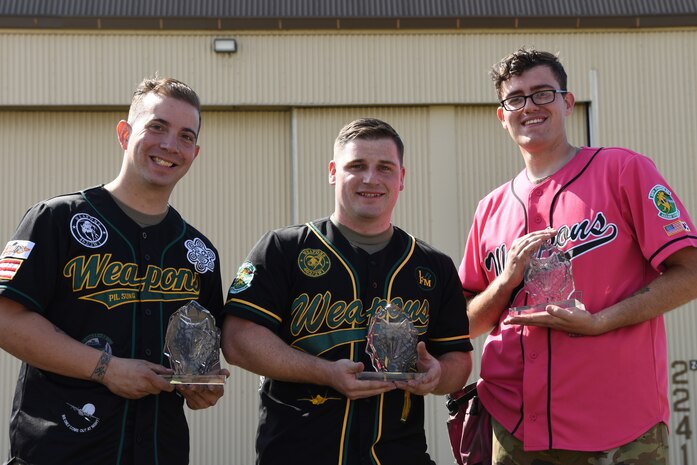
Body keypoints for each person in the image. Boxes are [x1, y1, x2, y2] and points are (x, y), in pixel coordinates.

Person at [459, 47, 697, 464]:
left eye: (542, 93)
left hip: (619, 426)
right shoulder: (490, 208)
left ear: (567, 102)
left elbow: (691, 272)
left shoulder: (623, 170)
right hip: (513, 428)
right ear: (503, 115)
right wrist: (504, 282)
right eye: (515, 98)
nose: (529, 106)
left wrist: (601, 321)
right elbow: (464, 322)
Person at [0, 77, 229, 465]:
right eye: (156, 127)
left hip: (160, 451)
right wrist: (105, 369)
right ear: (124, 134)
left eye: (185, 136)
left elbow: (200, 354)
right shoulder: (57, 219)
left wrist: (200, 387)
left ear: (195, 152)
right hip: (60, 451)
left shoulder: (198, 252)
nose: (170, 145)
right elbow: (7, 319)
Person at [222, 117, 473, 465]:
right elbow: (237, 340)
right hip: (297, 453)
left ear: (401, 178)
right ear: (332, 172)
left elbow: (458, 360)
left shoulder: (434, 264)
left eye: (385, 168)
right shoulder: (283, 248)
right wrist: (324, 372)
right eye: (357, 166)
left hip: (400, 454)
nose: (371, 178)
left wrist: (437, 375)